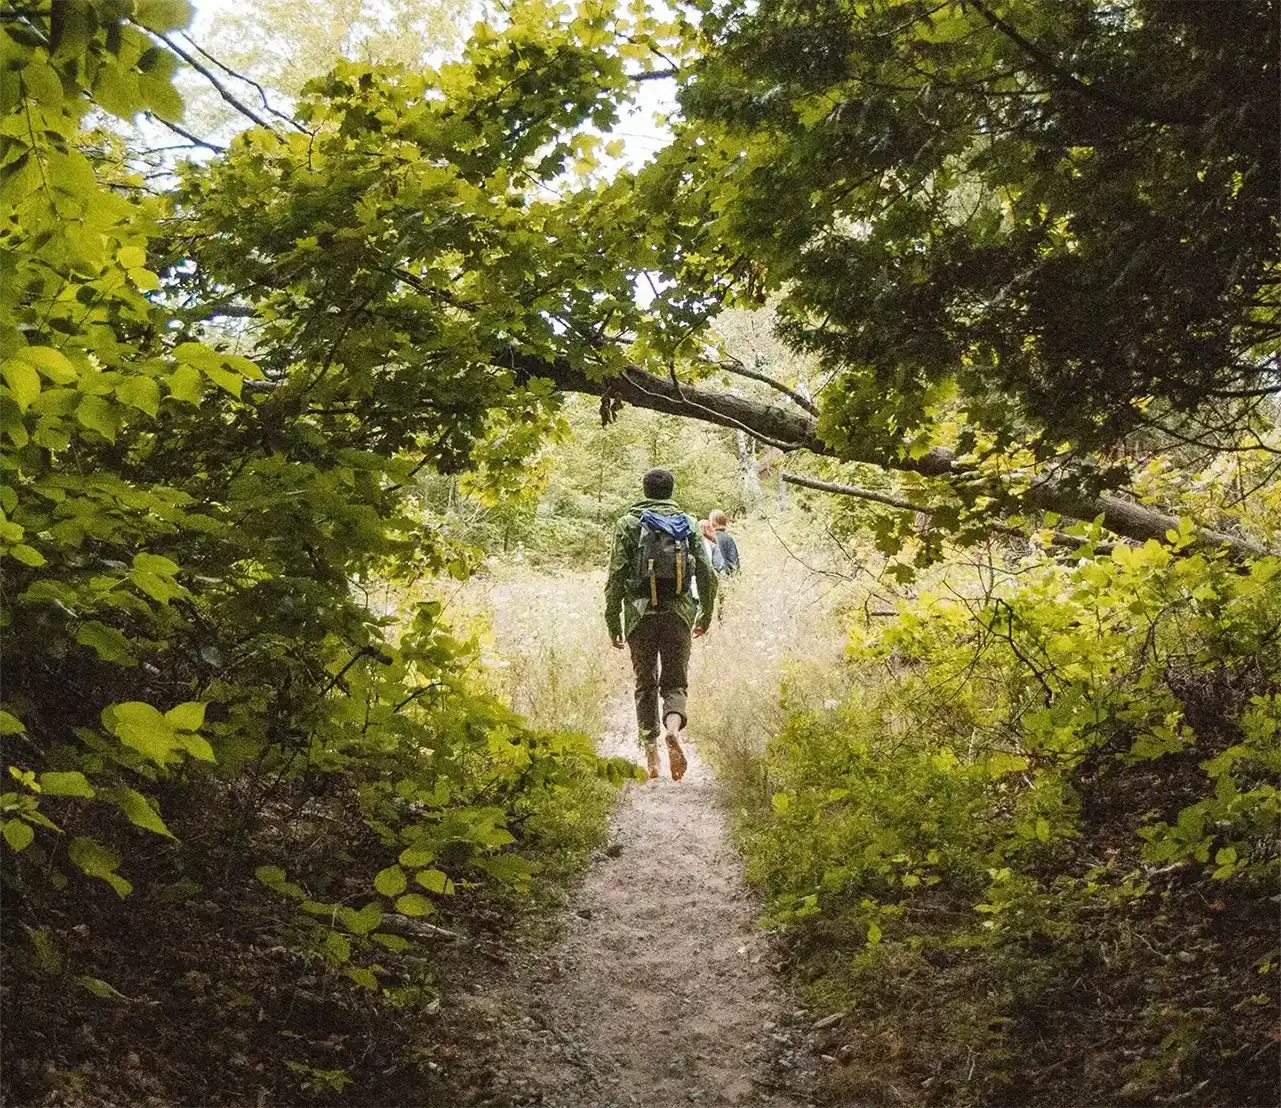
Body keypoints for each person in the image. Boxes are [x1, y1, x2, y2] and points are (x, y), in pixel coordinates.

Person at [605, 469, 718, 780]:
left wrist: (612, 619)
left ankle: (651, 754)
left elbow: (615, 576)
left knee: (645, 684)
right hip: (679, 614)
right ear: (671, 491)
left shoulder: (628, 524)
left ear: (644, 490)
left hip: (640, 616)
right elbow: (708, 573)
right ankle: (672, 729)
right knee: (675, 682)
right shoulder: (688, 524)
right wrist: (705, 614)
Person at [710, 510, 739, 575]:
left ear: (713, 522)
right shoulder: (728, 538)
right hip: (728, 575)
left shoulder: (709, 538)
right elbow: (734, 560)